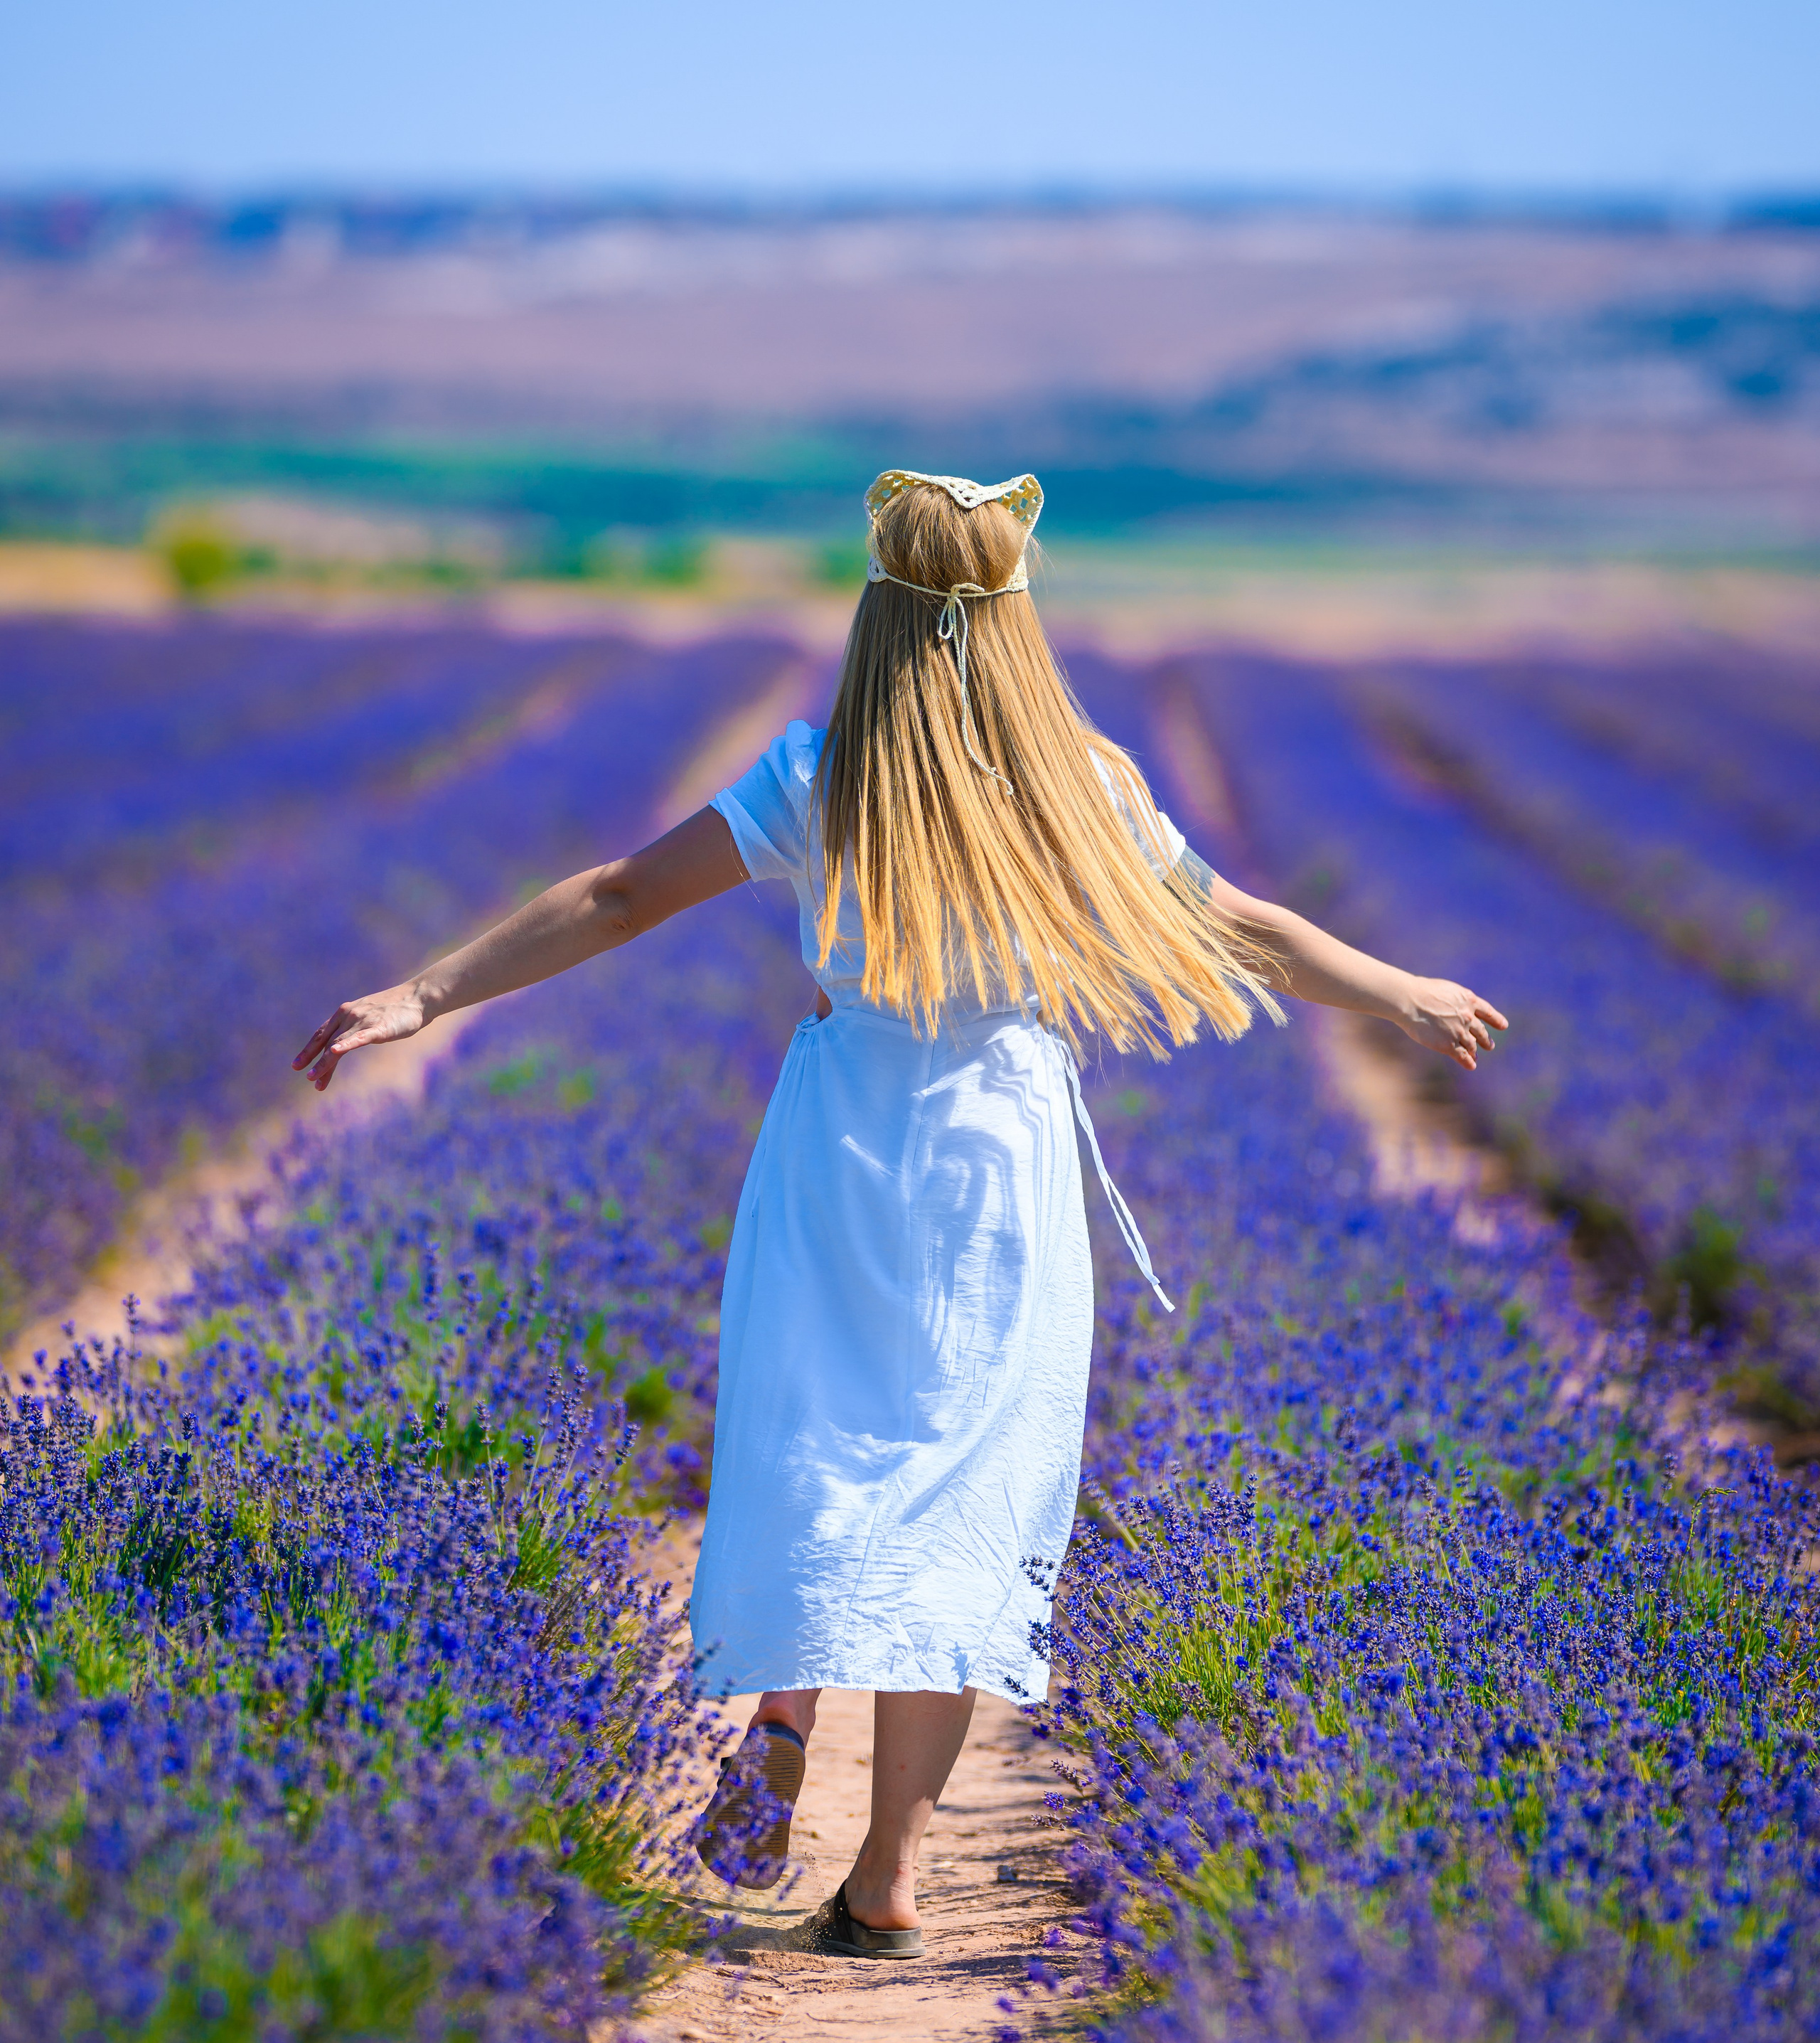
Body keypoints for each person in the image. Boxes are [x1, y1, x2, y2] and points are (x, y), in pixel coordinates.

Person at [294, 469, 1506, 1960]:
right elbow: (1239, 925)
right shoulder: (1086, 783)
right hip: (995, 1160)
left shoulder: (820, 772)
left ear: (876, 608)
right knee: (962, 1487)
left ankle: (788, 1700)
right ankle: (886, 1871)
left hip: (839, 1145)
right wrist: (1394, 984)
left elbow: (614, 897)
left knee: (813, 1438)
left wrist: (420, 993)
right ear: (1015, 613)